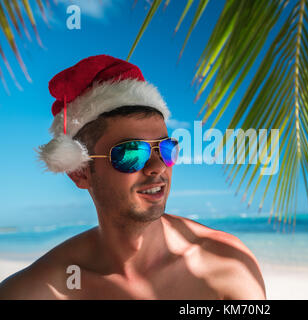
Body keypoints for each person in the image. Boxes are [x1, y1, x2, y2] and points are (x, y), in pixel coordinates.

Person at [0, 55, 266, 300]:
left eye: (166, 149)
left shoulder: (227, 266)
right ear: (80, 172)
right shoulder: (40, 290)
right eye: (130, 153)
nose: (157, 166)